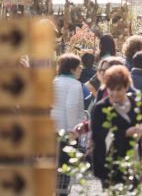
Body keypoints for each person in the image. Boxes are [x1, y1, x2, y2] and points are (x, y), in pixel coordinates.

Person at [91, 66, 142, 190]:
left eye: (118, 89)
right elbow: (98, 134)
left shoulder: (134, 103)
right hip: (110, 160)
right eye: (111, 89)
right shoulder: (100, 108)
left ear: (126, 87)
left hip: (134, 157)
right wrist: (124, 133)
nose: (114, 93)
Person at [52, 54, 85, 196]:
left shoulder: (54, 81)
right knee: (65, 164)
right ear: (72, 69)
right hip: (67, 130)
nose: (81, 69)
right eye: (79, 67)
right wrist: (74, 129)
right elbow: (71, 106)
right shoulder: (75, 85)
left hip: (52, 128)